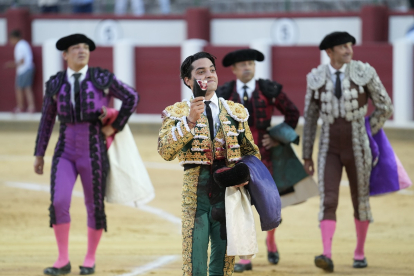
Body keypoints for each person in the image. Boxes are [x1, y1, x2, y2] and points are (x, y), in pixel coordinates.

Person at [33, 33, 138, 275]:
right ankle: (62, 260)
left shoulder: (101, 78)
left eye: (85, 48)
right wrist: (39, 153)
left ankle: (89, 259)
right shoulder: (55, 83)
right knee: (59, 201)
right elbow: (47, 119)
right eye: (76, 48)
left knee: (94, 205)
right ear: (65, 55)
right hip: (65, 148)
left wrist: (115, 126)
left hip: (93, 147)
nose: (81, 51)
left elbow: (132, 97)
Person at [158, 51, 261, 276]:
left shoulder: (236, 113)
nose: (209, 75)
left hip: (229, 197)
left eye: (212, 70)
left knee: (223, 265)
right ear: (188, 80)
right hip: (196, 199)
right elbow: (165, 151)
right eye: (201, 71)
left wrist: (244, 174)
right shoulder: (177, 113)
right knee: (195, 264)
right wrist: (189, 122)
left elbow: (252, 154)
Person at [302, 31, 393, 272]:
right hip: (328, 148)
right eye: (342, 47)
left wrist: (366, 131)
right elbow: (310, 120)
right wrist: (306, 155)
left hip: (358, 147)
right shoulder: (315, 78)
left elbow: (385, 106)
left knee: (360, 200)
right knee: (328, 199)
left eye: (350, 46)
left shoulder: (364, 72)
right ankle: (326, 254)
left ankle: (360, 252)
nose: (349, 50)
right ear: (329, 52)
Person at [217, 49, 311, 273]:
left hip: (263, 154)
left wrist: (277, 138)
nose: (247, 67)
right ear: (234, 69)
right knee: (240, 202)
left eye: (250, 63)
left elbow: (292, 113)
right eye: (243, 64)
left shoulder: (268, 90)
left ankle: (270, 240)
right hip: (235, 156)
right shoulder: (225, 93)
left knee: (267, 199)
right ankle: (245, 256)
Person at [4, 30, 36, 113]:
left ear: (15, 38)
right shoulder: (24, 44)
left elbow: (21, 60)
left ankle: (21, 107)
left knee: (20, 89)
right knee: (27, 88)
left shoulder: (20, 45)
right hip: (28, 68)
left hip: (24, 69)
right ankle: (31, 107)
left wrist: (11, 65)